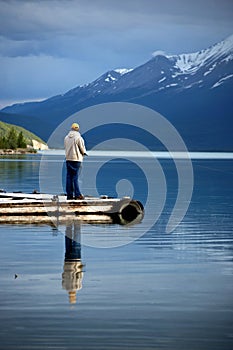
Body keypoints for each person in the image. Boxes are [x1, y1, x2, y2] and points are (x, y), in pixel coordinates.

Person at [64, 123, 87, 200]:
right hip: (76, 159)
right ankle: (78, 195)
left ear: (71, 128)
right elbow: (82, 149)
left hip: (68, 159)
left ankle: (69, 195)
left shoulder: (66, 138)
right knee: (76, 177)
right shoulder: (78, 138)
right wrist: (84, 153)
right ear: (78, 129)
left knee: (69, 177)